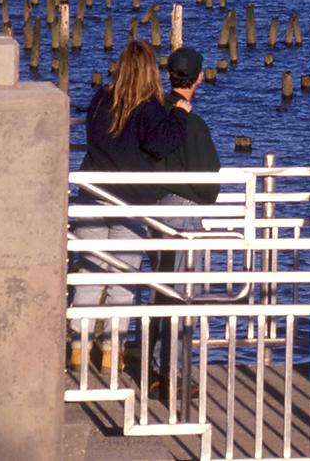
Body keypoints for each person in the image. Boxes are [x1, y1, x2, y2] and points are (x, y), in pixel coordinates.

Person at [70, 40, 189, 370]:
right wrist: (179, 114)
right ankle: (112, 352)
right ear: (152, 70)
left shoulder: (100, 100)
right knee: (123, 279)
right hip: (131, 201)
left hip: (93, 196)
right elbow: (160, 143)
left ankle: (78, 348)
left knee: (90, 274)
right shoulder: (149, 107)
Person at [150, 46, 222, 390]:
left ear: (168, 75)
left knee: (160, 288)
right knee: (182, 292)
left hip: (151, 208)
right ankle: (174, 373)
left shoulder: (153, 114)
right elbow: (209, 182)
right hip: (184, 213)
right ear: (200, 78)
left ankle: (157, 365)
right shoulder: (193, 124)